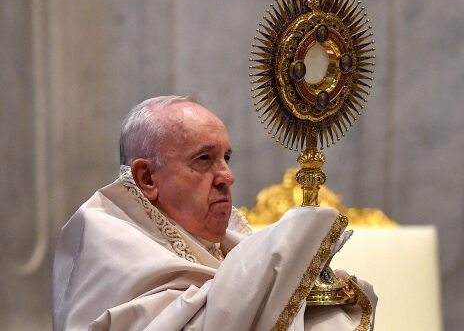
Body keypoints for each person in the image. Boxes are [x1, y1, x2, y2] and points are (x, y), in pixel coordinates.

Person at [52, 96, 376, 331]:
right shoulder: (107, 245)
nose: (227, 176)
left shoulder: (233, 244)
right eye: (204, 159)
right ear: (147, 179)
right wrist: (285, 255)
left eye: (226, 158)